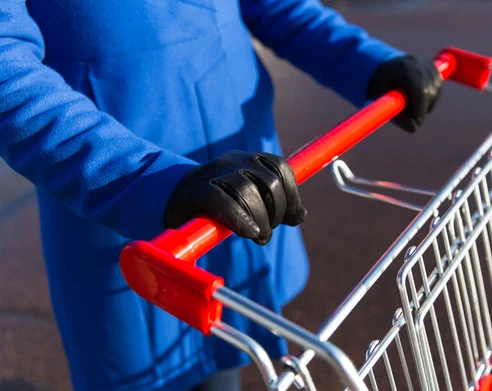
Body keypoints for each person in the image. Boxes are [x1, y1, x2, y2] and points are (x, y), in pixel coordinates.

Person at [0, 0, 443, 390]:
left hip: (247, 189)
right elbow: (7, 74)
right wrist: (148, 180)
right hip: (124, 210)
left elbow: (273, 4)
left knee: (228, 358)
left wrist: (369, 63)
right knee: (154, 369)